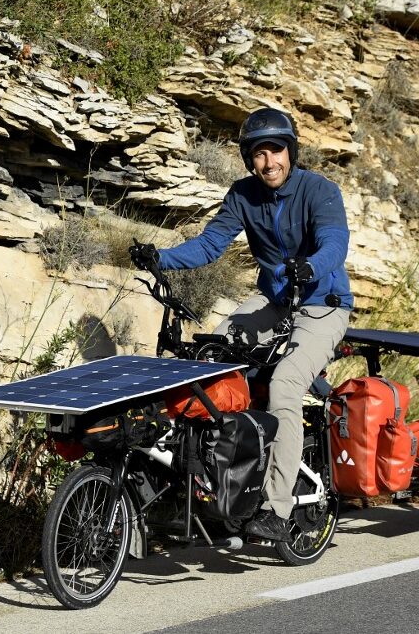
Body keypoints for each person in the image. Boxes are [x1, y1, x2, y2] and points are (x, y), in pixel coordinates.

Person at [130, 107, 353, 542]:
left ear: (292, 151)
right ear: (249, 158)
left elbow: (334, 243)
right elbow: (211, 244)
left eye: (276, 151)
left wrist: (309, 267)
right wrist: (162, 257)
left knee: (287, 384)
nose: (269, 163)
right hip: (274, 301)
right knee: (210, 358)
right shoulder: (243, 195)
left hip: (322, 304)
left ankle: (276, 505)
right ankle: (215, 478)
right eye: (259, 154)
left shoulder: (320, 190)